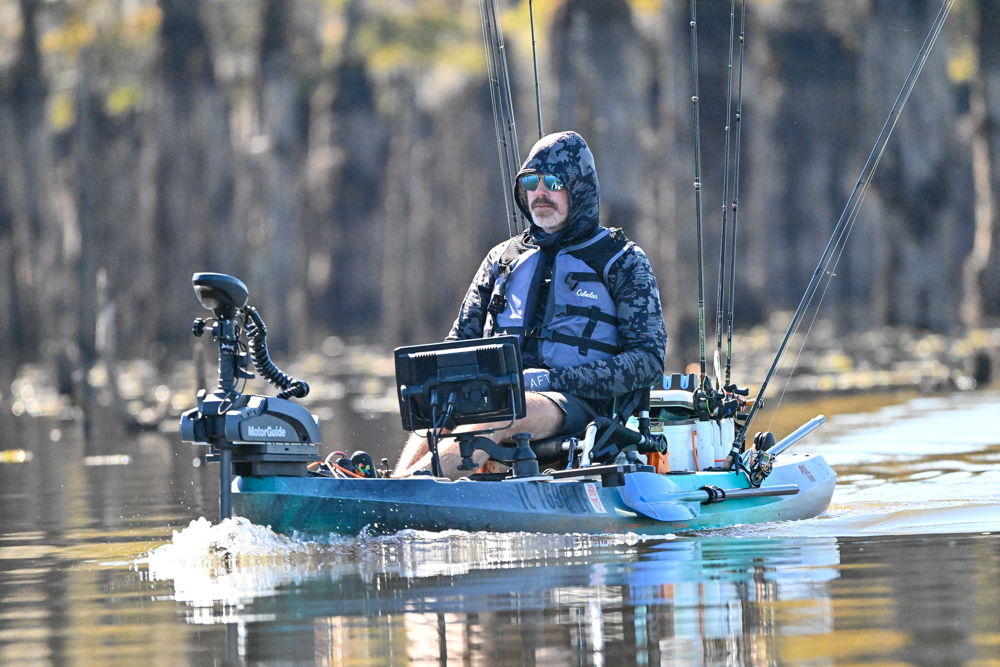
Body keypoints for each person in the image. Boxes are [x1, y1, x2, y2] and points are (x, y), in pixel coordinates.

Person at [393, 131, 667, 478]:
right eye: (530, 182)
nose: (540, 193)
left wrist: (552, 379)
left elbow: (648, 360)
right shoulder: (501, 258)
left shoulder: (623, 261)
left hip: (579, 405)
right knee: (439, 413)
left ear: (580, 188)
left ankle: (413, 490)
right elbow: (458, 343)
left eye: (553, 183)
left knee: (503, 411)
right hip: (496, 396)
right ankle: (394, 488)